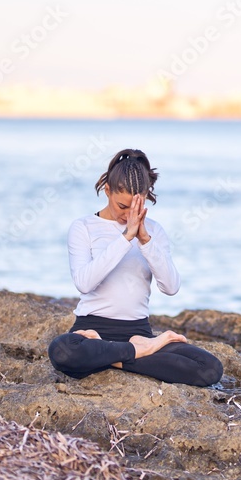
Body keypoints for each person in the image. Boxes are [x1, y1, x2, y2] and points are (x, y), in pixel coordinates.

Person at [47, 148, 223, 387]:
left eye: (135, 208)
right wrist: (125, 238)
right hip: (92, 332)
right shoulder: (83, 227)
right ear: (107, 190)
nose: (128, 215)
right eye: (122, 206)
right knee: (63, 351)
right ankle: (135, 352)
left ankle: (114, 357)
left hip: (138, 331)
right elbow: (84, 283)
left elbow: (171, 287)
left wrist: (145, 241)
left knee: (209, 368)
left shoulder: (154, 231)